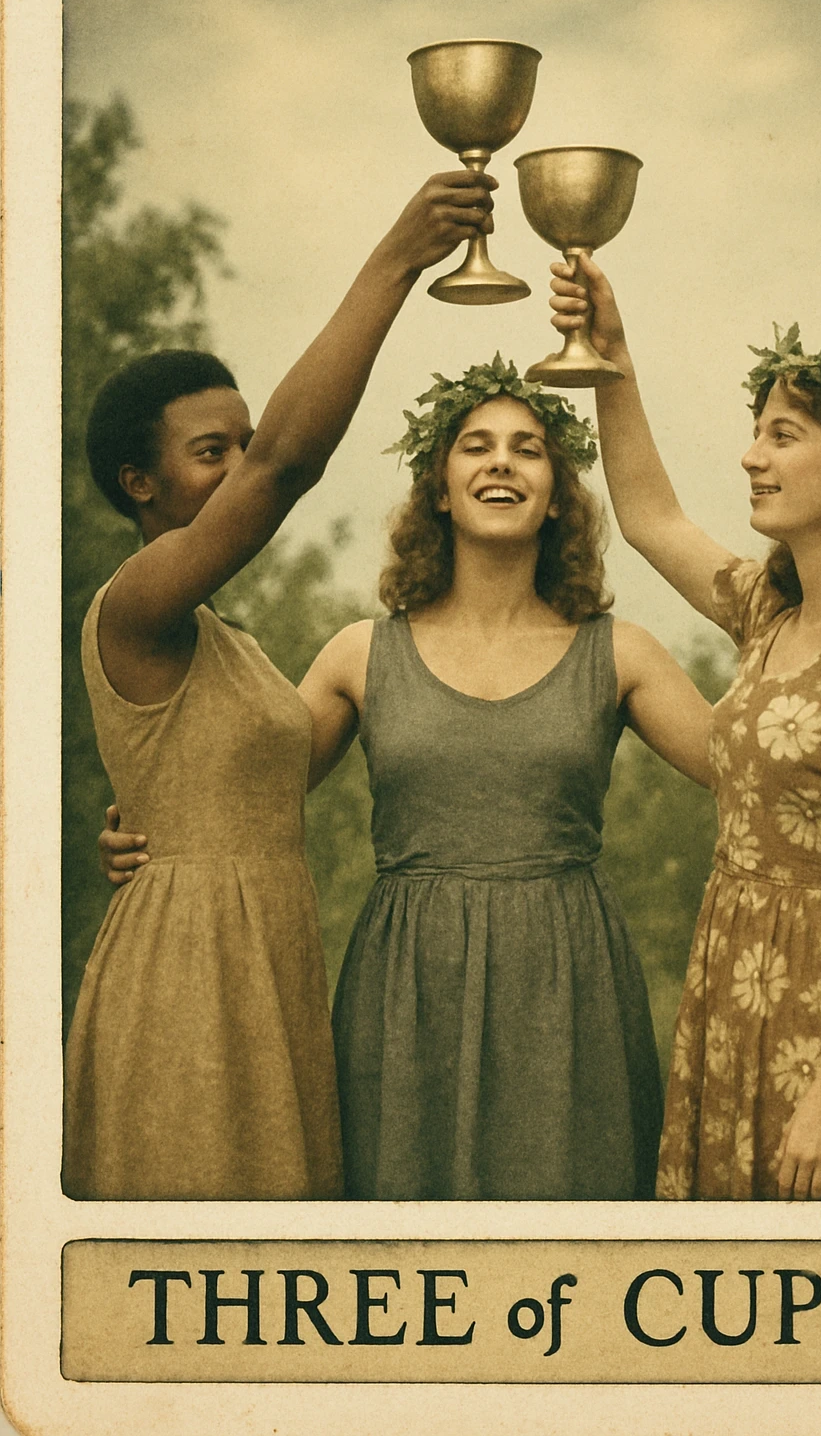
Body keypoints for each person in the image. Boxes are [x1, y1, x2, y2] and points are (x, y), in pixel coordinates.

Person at [63, 168, 498, 1201]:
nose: (242, 464)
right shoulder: (135, 603)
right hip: (186, 974)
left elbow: (283, 758)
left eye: (244, 442)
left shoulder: (229, 643)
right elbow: (284, 474)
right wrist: (398, 259)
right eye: (212, 451)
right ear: (141, 484)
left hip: (262, 967)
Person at [549, 261, 821, 1203]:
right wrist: (611, 356)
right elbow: (650, 516)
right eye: (754, 432)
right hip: (733, 981)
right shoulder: (773, 609)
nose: (750, 456)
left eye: (783, 435)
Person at [295, 356, 713, 1200]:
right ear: (439, 490)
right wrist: (136, 832)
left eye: (527, 450)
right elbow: (232, 798)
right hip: (405, 992)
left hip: (570, 989)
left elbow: (758, 774)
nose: (500, 462)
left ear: (557, 495)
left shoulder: (619, 651)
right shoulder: (357, 654)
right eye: (475, 446)